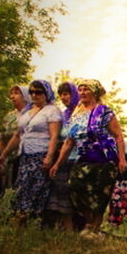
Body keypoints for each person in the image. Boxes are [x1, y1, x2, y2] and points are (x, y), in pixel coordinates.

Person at [50, 79, 127, 237]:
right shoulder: (77, 114)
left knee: (100, 194)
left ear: (95, 91)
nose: (83, 92)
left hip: (105, 159)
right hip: (84, 157)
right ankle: (89, 222)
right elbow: (69, 141)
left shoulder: (104, 111)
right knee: (75, 187)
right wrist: (57, 163)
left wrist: (122, 159)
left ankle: (94, 229)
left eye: (86, 89)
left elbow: (118, 135)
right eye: (81, 90)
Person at [0, 80, 61, 220]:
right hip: (24, 155)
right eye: (31, 92)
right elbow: (18, 135)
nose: (34, 95)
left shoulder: (52, 110)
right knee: (21, 187)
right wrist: (3, 154)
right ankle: (20, 220)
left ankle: (32, 221)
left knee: (36, 188)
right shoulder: (27, 111)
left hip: (40, 154)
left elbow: (54, 136)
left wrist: (49, 157)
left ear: (46, 93)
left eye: (38, 92)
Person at [44, 82, 80, 229]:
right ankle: (67, 228)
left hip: (79, 158)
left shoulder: (82, 112)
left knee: (77, 195)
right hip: (64, 158)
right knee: (62, 193)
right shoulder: (63, 115)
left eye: (66, 94)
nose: (64, 97)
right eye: (61, 95)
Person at [0, 86, 32, 192]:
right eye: (11, 93)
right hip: (9, 157)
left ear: (25, 96)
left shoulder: (32, 114)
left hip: (26, 157)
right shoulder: (10, 116)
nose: (12, 96)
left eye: (17, 93)